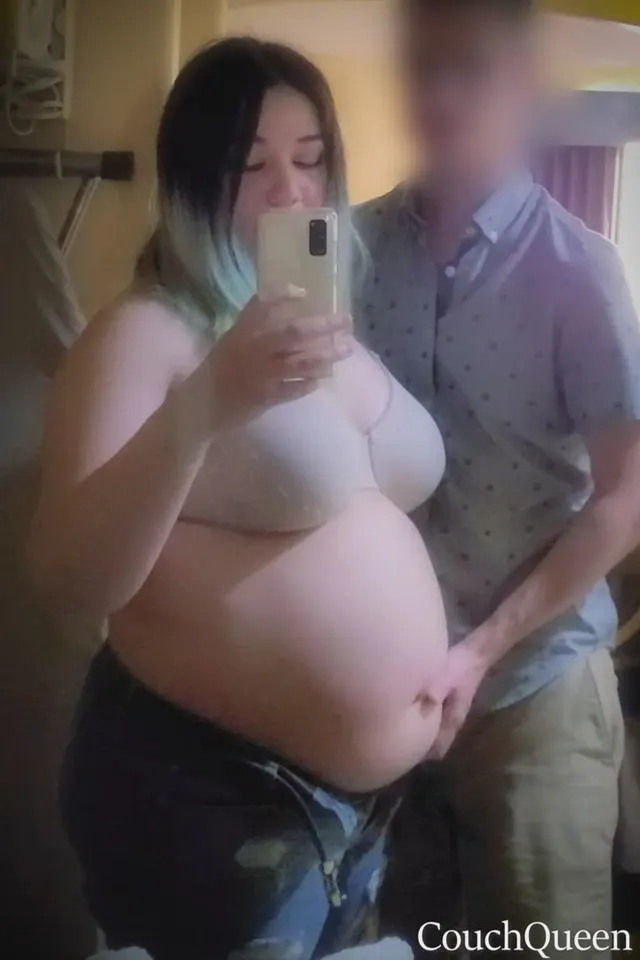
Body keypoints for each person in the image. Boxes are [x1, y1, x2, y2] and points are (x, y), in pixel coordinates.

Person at [27, 37, 448, 960]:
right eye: (253, 166)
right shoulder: (147, 331)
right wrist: (212, 399)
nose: (292, 191)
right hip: (210, 793)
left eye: (311, 158)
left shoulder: (326, 329)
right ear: (192, 180)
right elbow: (68, 578)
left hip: (358, 813)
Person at [354, 0, 640, 952]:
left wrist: (478, 651)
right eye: (423, 67)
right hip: (387, 691)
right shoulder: (351, 248)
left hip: (534, 693)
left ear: (520, 86)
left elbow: (627, 498)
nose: (440, 93)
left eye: (470, 68)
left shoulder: (579, 268)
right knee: (402, 939)